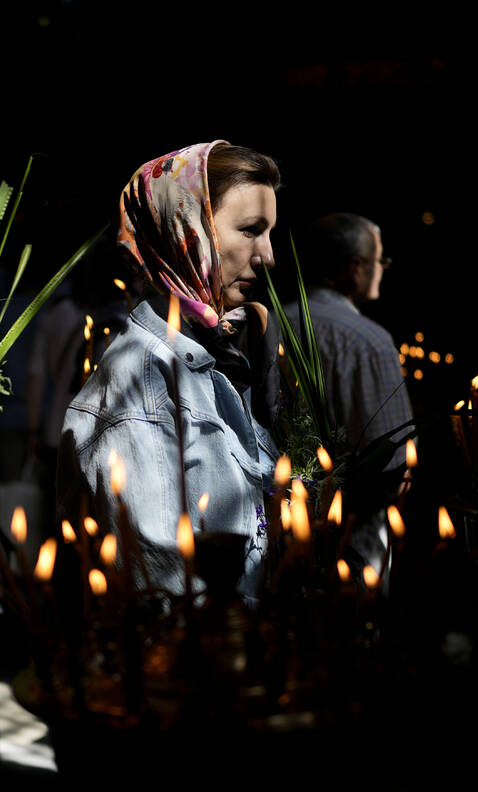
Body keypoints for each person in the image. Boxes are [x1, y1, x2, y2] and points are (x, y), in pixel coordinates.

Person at [56, 141, 283, 607]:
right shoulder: (144, 383)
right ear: (188, 229)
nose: (268, 256)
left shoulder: (215, 353)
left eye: (269, 233)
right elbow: (165, 593)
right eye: (249, 231)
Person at [287, 212, 415, 578]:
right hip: (352, 537)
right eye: (380, 260)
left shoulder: (271, 324)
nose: (384, 268)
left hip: (280, 527)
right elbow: (395, 459)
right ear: (355, 267)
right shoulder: (369, 340)